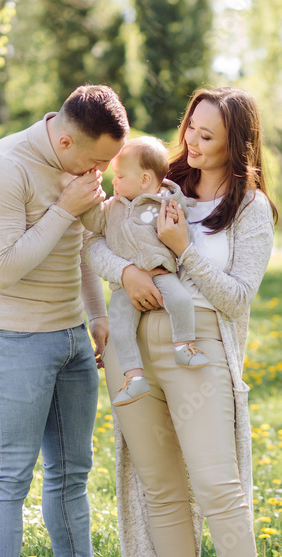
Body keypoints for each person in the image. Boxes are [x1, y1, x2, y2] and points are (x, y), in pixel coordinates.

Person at [83, 86, 278, 557]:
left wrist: (183, 249)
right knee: (161, 488)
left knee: (220, 489)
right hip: (132, 346)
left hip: (201, 350)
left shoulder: (250, 210)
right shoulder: (153, 179)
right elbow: (92, 240)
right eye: (191, 127)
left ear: (235, 142)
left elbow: (238, 299)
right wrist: (128, 272)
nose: (191, 142)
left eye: (207, 134)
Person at [0, 84, 138, 557]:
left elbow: (80, 243)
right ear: (64, 140)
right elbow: (2, 270)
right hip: (12, 340)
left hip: (70, 339)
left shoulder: (78, 165)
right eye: (94, 161)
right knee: (10, 476)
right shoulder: (1, 169)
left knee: (72, 472)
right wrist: (64, 207)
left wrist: (94, 315)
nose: (100, 173)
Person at [81, 135, 209, 408]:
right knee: (120, 325)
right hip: (126, 286)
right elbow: (90, 222)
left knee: (181, 301)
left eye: (119, 176)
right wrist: (92, 196)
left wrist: (176, 205)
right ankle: (133, 376)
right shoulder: (110, 208)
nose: (113, 181)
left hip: (161, 273)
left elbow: (182, 220)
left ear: (144, 180)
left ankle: (183, 346)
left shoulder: (164, 204)